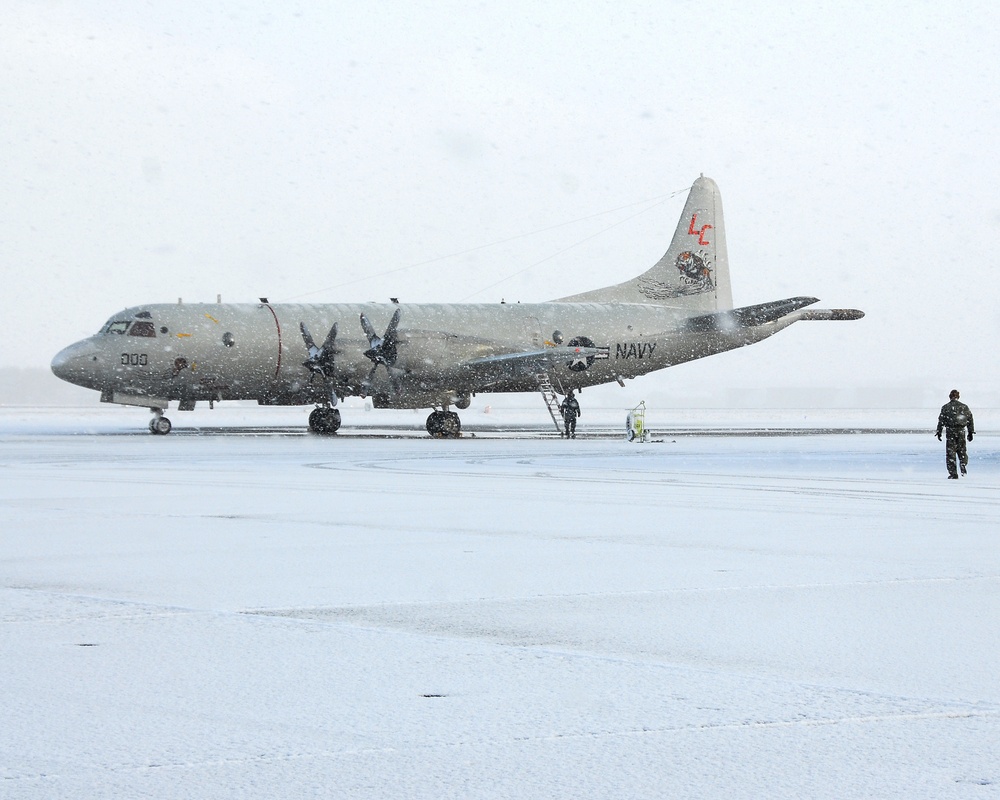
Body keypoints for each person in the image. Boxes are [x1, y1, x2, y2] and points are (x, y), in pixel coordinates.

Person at [936, 389, 974, 479]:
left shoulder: (945, 407)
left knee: (950, 453)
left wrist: (939, 431)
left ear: (950, 397)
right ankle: (963, 463)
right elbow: (970, 419)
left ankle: (953, 473)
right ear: (958, 397)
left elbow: (941, 420)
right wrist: (970, 432)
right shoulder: (964, 407)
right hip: (961, 431)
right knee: (962, 450)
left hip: (950, 431)